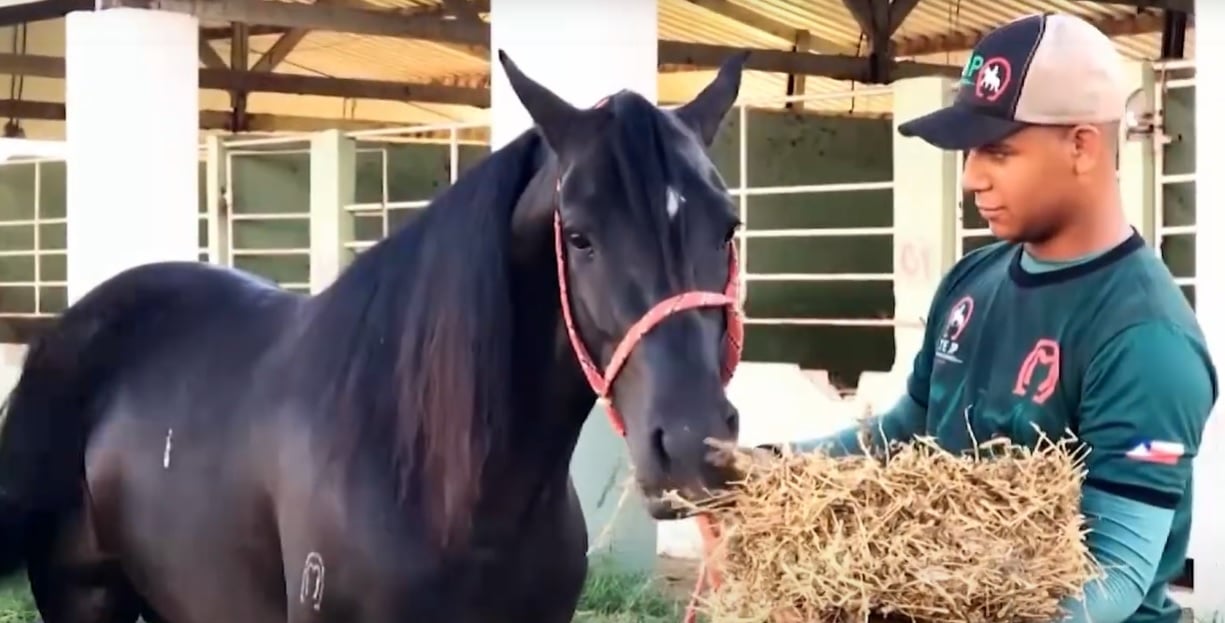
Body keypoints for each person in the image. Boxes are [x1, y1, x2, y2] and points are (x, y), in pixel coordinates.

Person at [771, 12, 1218, 623]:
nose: (972, 177)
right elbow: (908, 433)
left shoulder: (1147, 340)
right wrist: (774, 467)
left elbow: (1113, 578)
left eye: (998, 151)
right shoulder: (969, 282)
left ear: (1082, 146)